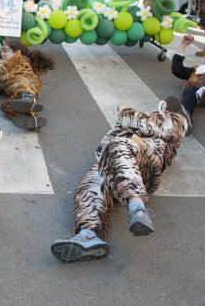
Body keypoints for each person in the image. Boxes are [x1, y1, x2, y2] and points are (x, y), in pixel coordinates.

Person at [50, 99, 190, 263]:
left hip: (143, 161)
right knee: (91, 184)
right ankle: (88, 235)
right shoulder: (140, 122)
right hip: (113, 161)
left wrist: (125, 111)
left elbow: (143, 124)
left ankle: (137, 208)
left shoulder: (176, 121)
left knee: (119, 146)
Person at [0, 38, 55, 130]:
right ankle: (30, 118)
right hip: (29, 90)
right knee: (5, 106)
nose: (2, 54)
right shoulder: (9, 76)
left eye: (6, 51)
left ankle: (27, 98)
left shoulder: (17, 59)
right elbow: (0, 87)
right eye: (1, 51)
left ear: (17, 52)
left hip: (25, 83)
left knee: (19, 84)